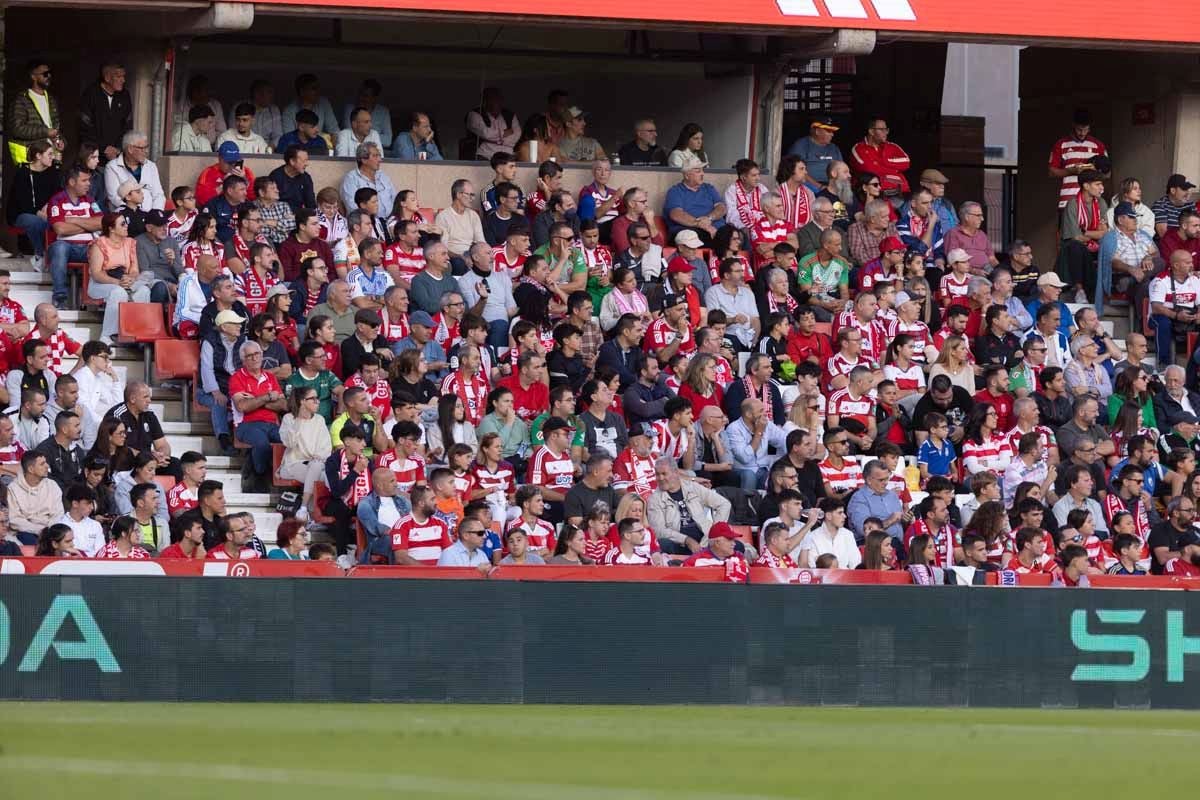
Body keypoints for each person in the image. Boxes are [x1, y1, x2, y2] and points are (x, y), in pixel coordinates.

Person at [1049, 109, 1109, 211]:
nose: (1082, 133)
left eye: (1085, 129)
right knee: (1068, 227)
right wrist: (1070, 171)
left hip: (1092, 200)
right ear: (1073, 125)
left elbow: (1107, 173)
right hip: (1068, 199)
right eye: (1079, 129)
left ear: (1090, 127)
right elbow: (1051, 172)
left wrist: (1095, 170)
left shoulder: (1098, 145)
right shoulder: (1061, 144)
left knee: (1094, 227)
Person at [663, 155, 726, 245]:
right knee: (714, 239)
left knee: (739, 236)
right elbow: (676, 214)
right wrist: (701, 224)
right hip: (690, 232)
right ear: (687, 175)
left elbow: (722, 208)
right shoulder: (675, 191)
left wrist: (709, 218)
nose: (702, 174)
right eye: (698, 171)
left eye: (702, 170)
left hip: (717, 229)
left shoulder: (709, 188)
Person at [8, 451, 62, 540]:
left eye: (46, 462)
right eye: (42, 464)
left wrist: (48, 531)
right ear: (31, 469)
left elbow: (58, 514)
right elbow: (14, 520)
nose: (47, 466)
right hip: (23, 533)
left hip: (50, 532)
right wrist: (39, 530)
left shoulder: (53, 486)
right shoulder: (13, 488)